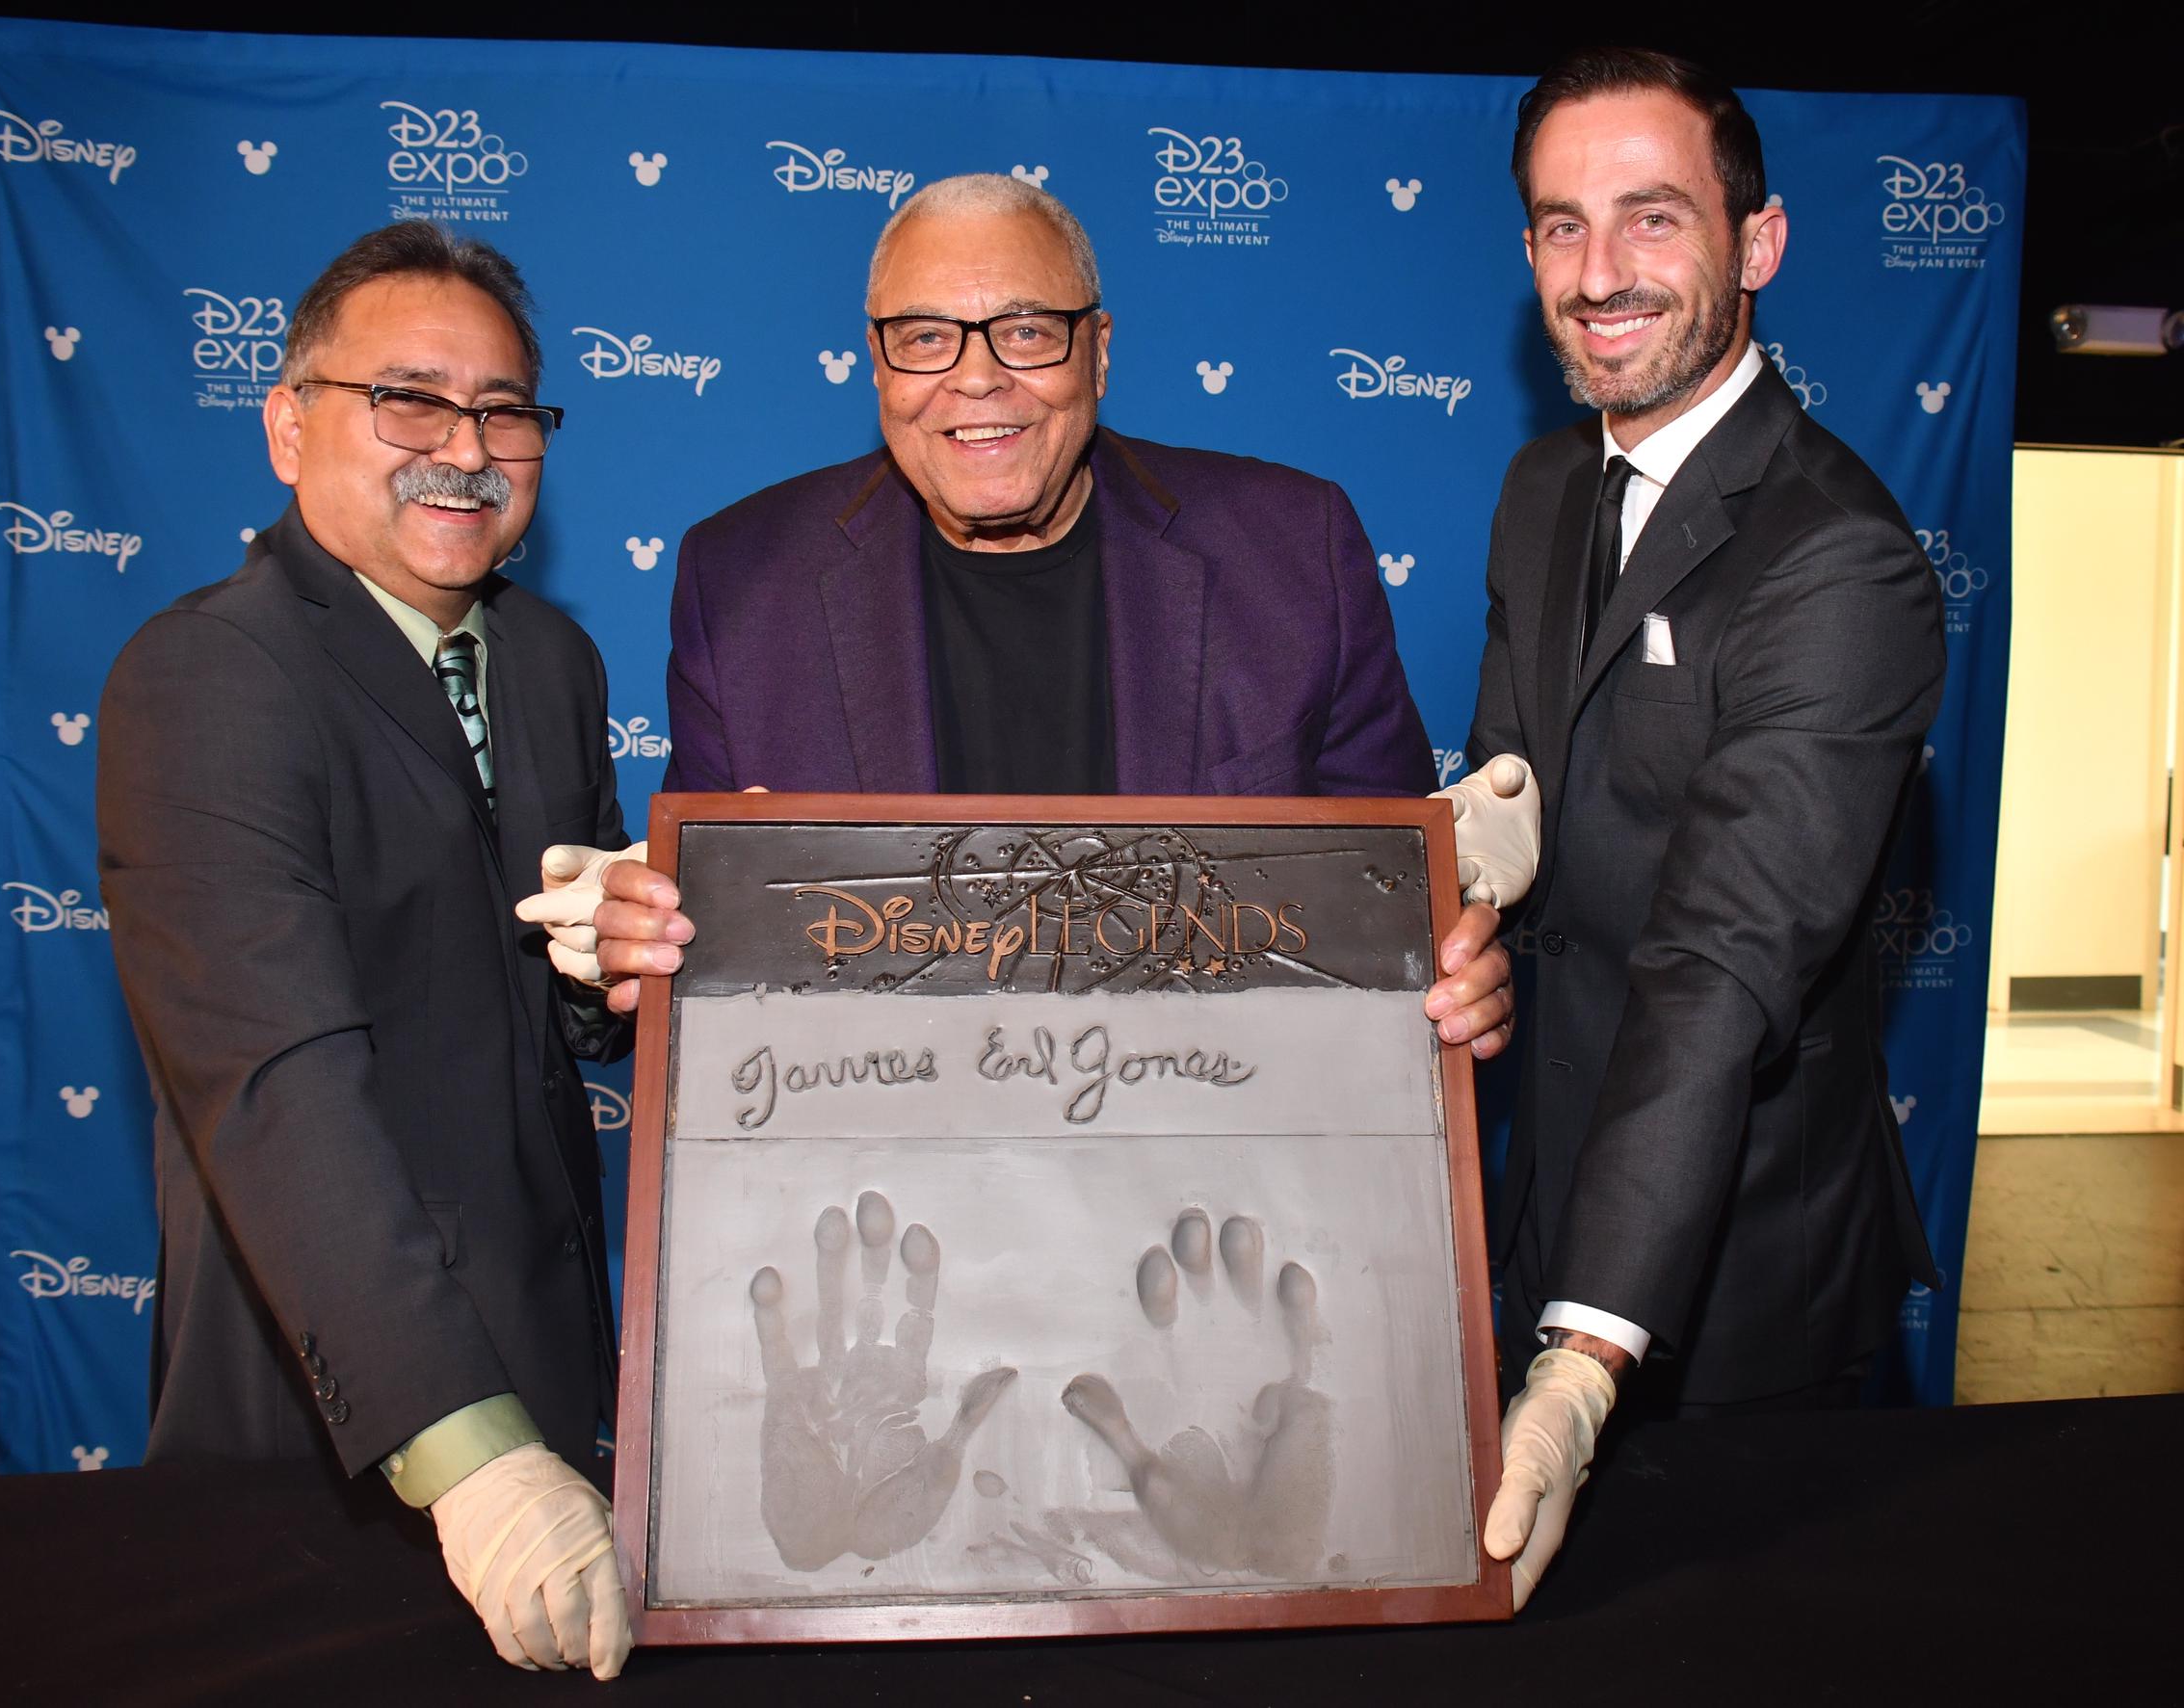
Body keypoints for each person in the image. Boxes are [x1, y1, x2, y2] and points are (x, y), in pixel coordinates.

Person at [538, 172, 1534, 1053]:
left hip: (1212, 1163)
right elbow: (711, 928)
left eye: (1024, 331)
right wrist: (647, 933)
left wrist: (1451, 969)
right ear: (877, 367)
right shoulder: (744, 578)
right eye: (926, 337)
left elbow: (1390, 904)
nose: (976, 377)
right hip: (872, 1175)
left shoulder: (1292, 552)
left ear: (1097, 352)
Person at [97, 223, 631, 1679]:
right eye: (409, 398)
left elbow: (560, 1021)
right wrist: (470, 1459)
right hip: (329, 1419)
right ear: (289, 423)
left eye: (503, 407)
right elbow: (275, 1088)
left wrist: (617, 965)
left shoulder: (548, 662)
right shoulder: (207, 671)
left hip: (552, 1365)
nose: (463, 445)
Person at [1470, 50, 1945, 1610]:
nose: (1597, 275)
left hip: (1729, 1300)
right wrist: (1454, 892)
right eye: (1558, 225)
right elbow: (1509, 790)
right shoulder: (1544, 485)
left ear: (1758, 243)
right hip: (1533, 1211)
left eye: (1651, 218)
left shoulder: (1842, 559)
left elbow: (1723, 960)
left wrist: (1592, 1351)